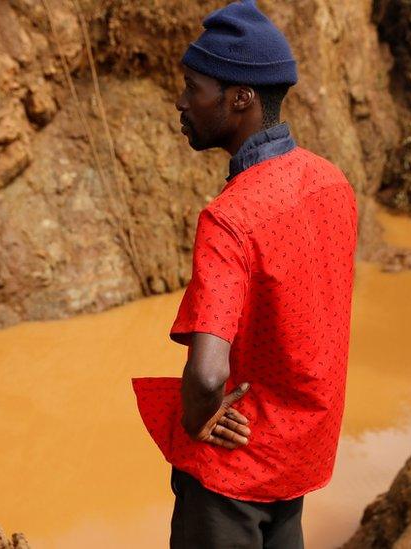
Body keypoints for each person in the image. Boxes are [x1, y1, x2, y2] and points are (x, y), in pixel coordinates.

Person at [131, 1, 358, 547]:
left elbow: (208, 375)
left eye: (193, 88)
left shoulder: (231, 217)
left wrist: (196, 418)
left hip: (233, 470)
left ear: (240, 99)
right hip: (298, 456)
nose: (181, 102)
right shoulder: (332, 183)